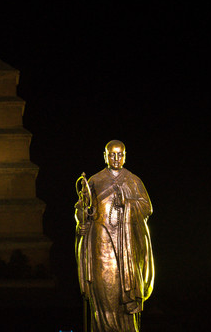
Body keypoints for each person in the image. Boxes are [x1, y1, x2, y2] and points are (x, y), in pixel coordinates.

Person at [75, 140, 154, 332]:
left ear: (125, 156)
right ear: (105, 156)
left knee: (123, 292)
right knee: (103, 292)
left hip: (126, 246)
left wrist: (127, 202)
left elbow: (147, 207)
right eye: (112, 154)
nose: (116, 158)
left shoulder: (133, 180)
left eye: (120, 154)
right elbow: (81, 208)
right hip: (101, 242)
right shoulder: (94, 180)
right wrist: (82, 220)